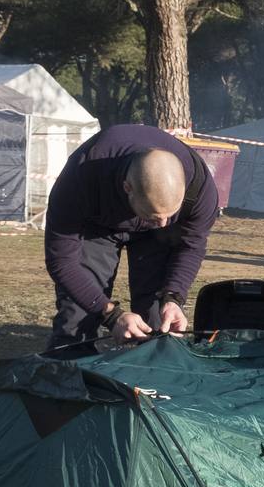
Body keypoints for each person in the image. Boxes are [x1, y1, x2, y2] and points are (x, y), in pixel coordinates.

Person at [44, 124, 219, 352]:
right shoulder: (80, 177)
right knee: (79, 316)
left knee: (159, 320)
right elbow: (62, 262)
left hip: (154, 236)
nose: (164, 223)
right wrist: (111, 314)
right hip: (96, 224)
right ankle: (71, 372)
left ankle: (155, 377)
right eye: (155, 216)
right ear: (128, 188)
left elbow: (191, 245)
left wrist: (174, 296)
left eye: (170, 215)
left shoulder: (200, 188)